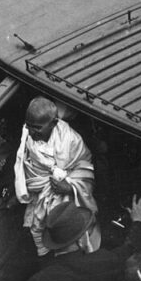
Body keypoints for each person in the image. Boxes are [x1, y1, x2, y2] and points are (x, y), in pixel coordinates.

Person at [13, 97, 97, 257]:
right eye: (28, 126)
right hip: (39, 198)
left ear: (54, 123)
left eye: (37, 127)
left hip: (64, 201)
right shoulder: (28, 136)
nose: (31, 132)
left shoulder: (72, 140)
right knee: (39, 232)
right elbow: (26, 167)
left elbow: (85, 169)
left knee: (71, 236)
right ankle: (46, 259)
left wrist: (70, 187)